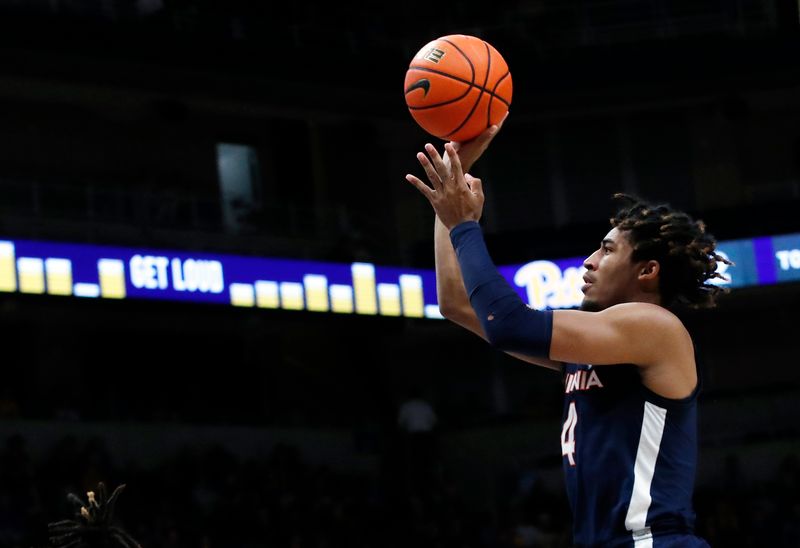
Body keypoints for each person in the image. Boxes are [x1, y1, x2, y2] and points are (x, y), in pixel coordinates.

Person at [404, 118, 729, 547]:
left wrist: (465, 225)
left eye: (608, 250)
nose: (589, 261)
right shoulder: (598, 341)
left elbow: (507, 325)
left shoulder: (656, 328)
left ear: (648, 271)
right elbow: (456, 302)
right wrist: (449, 204)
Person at [47, 481, 141, 548]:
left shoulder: (102, 524)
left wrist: (114, 491)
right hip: (91, 538)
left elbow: (108, 502)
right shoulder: (84, 527)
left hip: (98, 538)